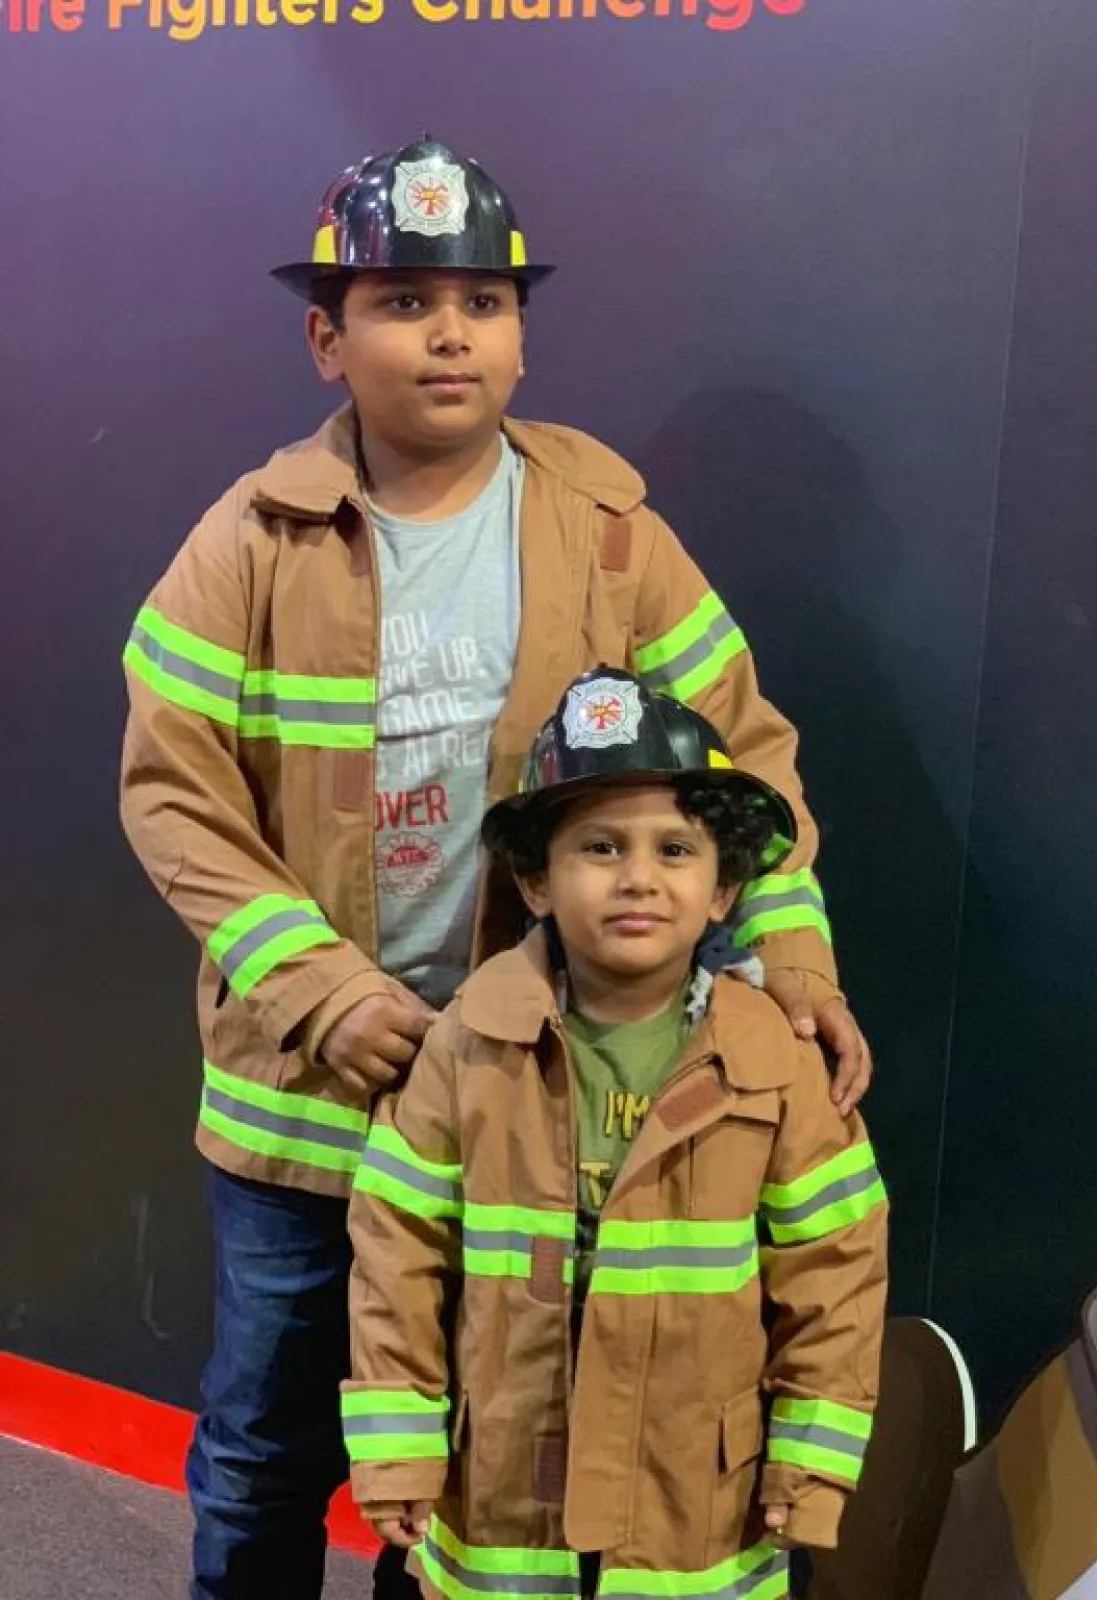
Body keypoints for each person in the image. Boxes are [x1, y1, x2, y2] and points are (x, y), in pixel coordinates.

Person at [119, 137, 872, 1600]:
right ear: (329, 340)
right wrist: (323, 992)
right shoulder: (249, 544)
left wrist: (791, 958)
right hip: (302, 1108)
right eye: (403, 302)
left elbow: (749, 758)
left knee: (469, 1452)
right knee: (268, 1441)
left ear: (523, 335)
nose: (450, 333)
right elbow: (175, 793)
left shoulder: (610, 539)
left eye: (484, 301)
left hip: (518, 1106)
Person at [342, 668, 889, 1600]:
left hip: (696, 1512)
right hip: (507, 1497)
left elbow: (836, 1273)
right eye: (599, 847)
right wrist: (396, 1448)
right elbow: (398, 1252)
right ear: (536, 881)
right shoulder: (467, 1046)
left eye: (675, 850)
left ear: (724, 889)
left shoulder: (778, 1069)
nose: (638, 877)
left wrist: (807, 1467)